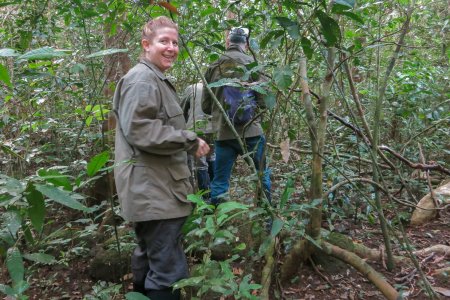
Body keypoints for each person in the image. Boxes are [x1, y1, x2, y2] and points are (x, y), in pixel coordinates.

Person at [113, 16, 210, 300]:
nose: (171, 48)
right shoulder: (143, 80)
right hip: (155, 192)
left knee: (150, 257)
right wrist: (189, 140)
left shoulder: (153, 78)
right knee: (168, 270)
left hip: (154, 190)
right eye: (163, 41)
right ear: (146, 45)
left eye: (175, 42)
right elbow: (141, 130)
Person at [202, 27, 271, 206]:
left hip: (224, 134)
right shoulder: (253, 65)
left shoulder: (213, 66)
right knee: (261, 175)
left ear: (227, 42)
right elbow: (264, 101)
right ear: (246, 45)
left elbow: (206, 106)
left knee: (220, 180)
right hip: (252, 132)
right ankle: (266, 219)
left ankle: (220, 224)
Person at [180, 82, 215, 197]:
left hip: (196, 129)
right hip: (214, 128)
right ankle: (216, 194)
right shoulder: (214, 86)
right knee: (212, 158)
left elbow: (182, 110)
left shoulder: (192, 88)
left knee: (200, 164)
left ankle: (206, 198)